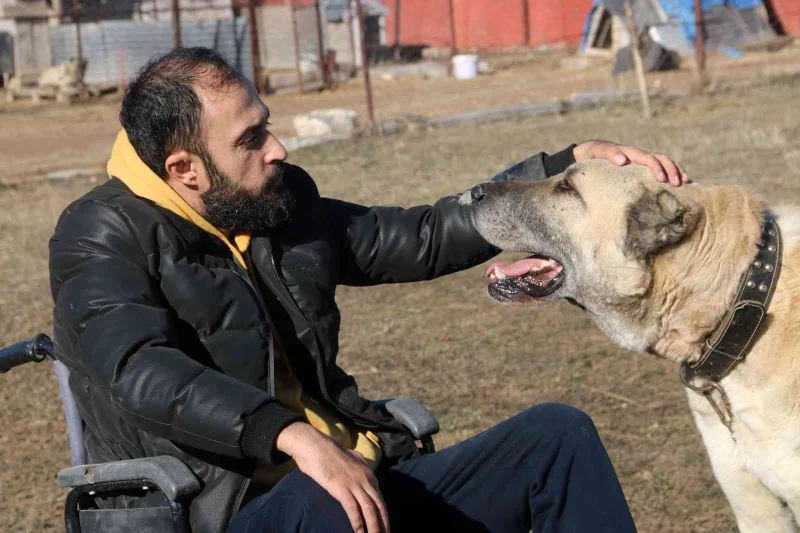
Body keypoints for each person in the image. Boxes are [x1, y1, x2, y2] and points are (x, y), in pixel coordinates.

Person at [49, 47, 686, 533]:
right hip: (221, 509)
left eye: (266, 125)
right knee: (320, 495)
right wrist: (294, 438)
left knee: (556, 439)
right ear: (183, 170)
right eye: (250, 140)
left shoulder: (275, 199)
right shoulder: (99, 232)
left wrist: (559, 167)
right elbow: (140, 369)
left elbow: (422, 236)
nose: (278, 148)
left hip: (352, 481)